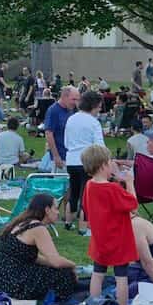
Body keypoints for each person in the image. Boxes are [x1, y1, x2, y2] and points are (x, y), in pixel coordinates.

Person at [81, 144, 139, 305]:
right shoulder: (112, 189)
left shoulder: (90, 185)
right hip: (118, 239)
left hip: (100, 238)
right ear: (104, 165)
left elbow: (87, 208)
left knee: (98, 274)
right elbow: (133, 204)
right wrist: (129, 182)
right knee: (121, 278)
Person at [0, 193, 77, 304]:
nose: (58, 212)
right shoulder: (37, 228)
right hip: (13, 281)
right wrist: (73, 266)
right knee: (64, 275)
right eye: (56, 208)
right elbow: (56, 261)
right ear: (47, 210)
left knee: (55, 270)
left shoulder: (23, 222)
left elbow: (33, 257)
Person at [62, 90, 105, 233]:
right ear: (93, 106)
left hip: (71, 161)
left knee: (73, 192)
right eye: (99, 107)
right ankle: (83, 228)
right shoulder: (94, 123)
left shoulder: (71, 119)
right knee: (86, 196)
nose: (100, 109)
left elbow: (66, 142)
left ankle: (68, 222)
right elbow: (99, 146)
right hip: (87, 162)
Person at [44, 86, 79, 171]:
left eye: (77, 100)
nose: (76, 103)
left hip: (71, 156)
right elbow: (49, 134)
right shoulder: (53, 111)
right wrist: (56, 156)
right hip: (61, 157)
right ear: (64, 97)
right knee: (61, 182)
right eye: (73, 99)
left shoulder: (71, 110)